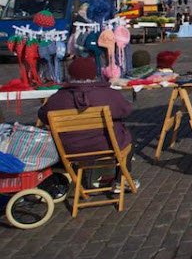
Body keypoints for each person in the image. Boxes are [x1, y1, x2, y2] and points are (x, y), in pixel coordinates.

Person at [37, 57, 139, 191]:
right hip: (106, 145)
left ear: (71, 73)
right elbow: (126, 109)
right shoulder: (107, 94)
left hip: (70, 150)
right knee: (130, 135)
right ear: (94, 73)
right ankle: (121, 179)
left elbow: (43, 116)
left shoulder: (58, 98)